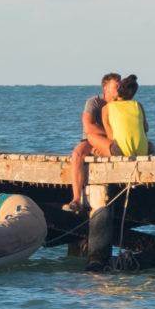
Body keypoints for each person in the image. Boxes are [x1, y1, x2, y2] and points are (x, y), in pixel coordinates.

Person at [62, 73, 121, 212]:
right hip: (92, 139)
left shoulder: (122, 103)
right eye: (116, 85)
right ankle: (76, 199)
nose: (119, 88)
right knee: (77, 153)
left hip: (112, 141)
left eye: (120, 85)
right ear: (106, 88)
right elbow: (89, 127)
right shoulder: (94, 102)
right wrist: (108, 133)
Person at [101, 75, 149, 157]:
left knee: (98, 148)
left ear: (118, 89)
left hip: (121, 151)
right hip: (143, 150)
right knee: (150, 143)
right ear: (133, 94)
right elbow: (146, 128)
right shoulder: (138, 105)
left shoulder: (106, 108)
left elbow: (110, 136)